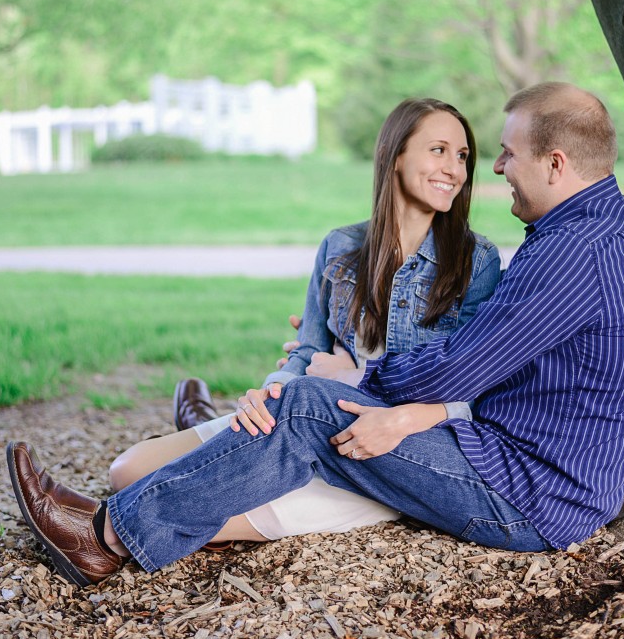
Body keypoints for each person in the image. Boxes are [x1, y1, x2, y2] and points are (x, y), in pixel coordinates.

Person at [7, 83, 624, 588]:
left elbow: (456, 369)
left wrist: (353, 378)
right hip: (516, 462)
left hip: (528, 495)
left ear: (553, 162)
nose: (491, 168)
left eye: (504, 153)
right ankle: (126, 515)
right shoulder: (609, 230)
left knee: (312, 409)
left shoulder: (572, 254)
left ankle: (104, 539)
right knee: (300, 403)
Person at [106, 97, 501, 543]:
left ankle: (106, 527)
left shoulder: (475, 261)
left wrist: (355, 377)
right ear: (395, 156)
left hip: (388, 444)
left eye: (463, 156)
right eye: (439, 150)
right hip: (305, 412)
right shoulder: (341, 247)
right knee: (129, 470)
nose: (454, 168)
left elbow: (465, 387)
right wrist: (268, 391)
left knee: (218, 505)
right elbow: (309, 353)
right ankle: (206, 424)